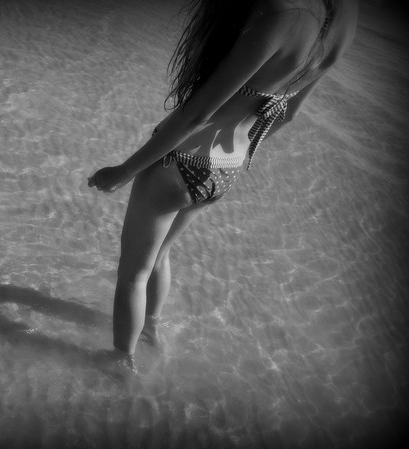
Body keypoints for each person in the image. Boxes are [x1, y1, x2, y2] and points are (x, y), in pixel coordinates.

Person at [87, 0, 358, 366]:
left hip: (178, 163)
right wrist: (230, 158)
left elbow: (197, 115)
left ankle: (120, 363)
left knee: (133, 275)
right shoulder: (344, 15)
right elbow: (288, 114)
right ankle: (151, 331)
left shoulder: (280, 11)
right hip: (227, 168)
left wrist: (124, 171)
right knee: (161, 256)